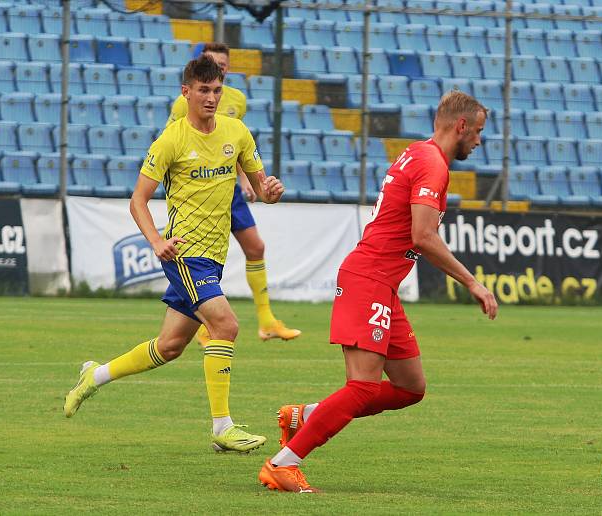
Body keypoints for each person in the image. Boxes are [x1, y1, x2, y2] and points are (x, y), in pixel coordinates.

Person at [257, 91, 499, 493]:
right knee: (363, 386)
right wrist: (471, 281)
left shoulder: (419, 154)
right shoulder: (431, 164)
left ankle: (307, 416)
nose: (478, 141)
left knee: (409, 387)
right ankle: (283, 463)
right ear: (460, 126)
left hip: (381, 285)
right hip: (367, 279)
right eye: (477, 132)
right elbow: (422, 236)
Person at [63, 56, 285, 453]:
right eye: (203, 90)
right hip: (183, 253)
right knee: (227, 325)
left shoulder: (238, 133)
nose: (212, 98)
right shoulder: (171, 140)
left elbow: (260, 189)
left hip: (214, 256)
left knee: (169, 347)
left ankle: (94, 376)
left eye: (217, 90)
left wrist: (269, 191)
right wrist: (155, 241)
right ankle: (222, 427)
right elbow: (138, 200)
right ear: (187, 92)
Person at [169, 42, 301, 343]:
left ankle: (266, 320)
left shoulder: (237, 101)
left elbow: (233, 147)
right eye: (213, 64)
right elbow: (176, 145)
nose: (219, 71)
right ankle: (210, 323)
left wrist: (245, 180)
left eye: (224, 67)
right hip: (200, 192)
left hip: (228, 187)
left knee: (255, 248)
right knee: (203, 257)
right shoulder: (183, 106)